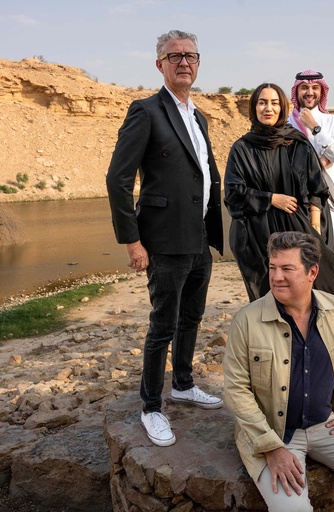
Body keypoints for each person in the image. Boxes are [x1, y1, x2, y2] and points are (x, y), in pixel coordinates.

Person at [223, 231, 334, 512]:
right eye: (273, 267)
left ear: (312, 272)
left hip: (326, 424)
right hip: (274, 433)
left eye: (287, 269)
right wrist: (272, 448)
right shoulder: (247, 320)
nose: (276, 277)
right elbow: (236, 390)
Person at [105, 29, 224, 447]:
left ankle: (184, 384)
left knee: (191, 317)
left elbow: (202, 174)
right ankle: (151, 407)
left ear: (198, 62)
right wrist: (133, 241)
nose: (184, 62)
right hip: (164, 240)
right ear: (160, 64)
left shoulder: (199, 116)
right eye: (175, 56)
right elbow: (118, 180)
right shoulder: (146, 111)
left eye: (191, 55)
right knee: (162, 326)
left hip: (199, 237)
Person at [224, 83, 334, 326]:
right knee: (268, 292)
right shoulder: (242, 148)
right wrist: (271, 198)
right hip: (255, 231)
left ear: (282, 107)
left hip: (296, 226)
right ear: (254, 108)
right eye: (262, 102)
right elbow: (233, 192)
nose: (268, 108)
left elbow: (316, 188)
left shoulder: (297, 143)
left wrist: (314, 226)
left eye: (274, 103)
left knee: (323, 281)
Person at [288, 70, 334, 266]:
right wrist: (320, 160)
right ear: (296, 91)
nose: (310, 92)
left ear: (322, 91)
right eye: (304, 87)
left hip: (329, 201)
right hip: (295, 201)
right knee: (297, 259)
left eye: (315, 87)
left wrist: (315, 128)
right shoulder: (286, 124)